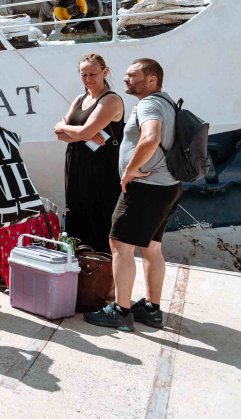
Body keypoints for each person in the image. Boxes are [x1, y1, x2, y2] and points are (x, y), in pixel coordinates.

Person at [84, 58, 179, 333]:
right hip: (167, 186)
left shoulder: (149, 103)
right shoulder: (166, 102)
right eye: (125, 75)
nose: (125, 79)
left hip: (147, 188)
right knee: (151, 248)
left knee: (119, 245)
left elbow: (150, 138)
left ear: (151, 80)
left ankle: (121, 311)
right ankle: (151, 309)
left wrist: (130, 170)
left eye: (132, 75)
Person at [53, 54, 126, 253]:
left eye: (93, 74)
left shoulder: (110, 100)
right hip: (76, 165)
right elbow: (60, 135)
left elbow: (81, 131)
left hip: (102, 169)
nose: (88, 79)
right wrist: (83, 134)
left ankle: (103, 273)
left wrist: (75, 130)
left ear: (105, 72)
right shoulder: (80, 98)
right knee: (77, 215)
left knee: (100, 218)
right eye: (83, 74)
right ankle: (81, 270)